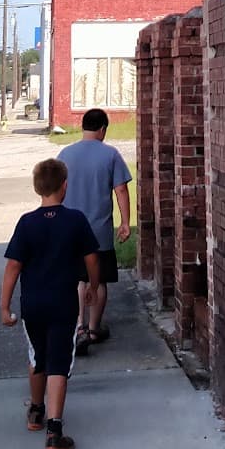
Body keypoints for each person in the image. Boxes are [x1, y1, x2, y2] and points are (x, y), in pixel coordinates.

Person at [0, 158, 100, 449]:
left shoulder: (26, 222)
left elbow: (13, 266)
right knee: (59, 362)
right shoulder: (76, 220)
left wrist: (4, 306)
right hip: (63, 304)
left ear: (37, 188)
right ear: (65, 186)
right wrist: (93, 287)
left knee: (37, 356)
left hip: (32, 305)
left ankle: (36, 411)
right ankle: (55, 431)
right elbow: (92, 259)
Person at [58, 107, 132, 348]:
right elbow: (120, 189)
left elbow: (57, 190)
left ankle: (79, 326)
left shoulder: (65, 154)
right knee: (98, 282)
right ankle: (93, 328)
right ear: (102, 129)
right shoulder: (110, 155)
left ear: (83, 127)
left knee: (79, 280)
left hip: (70, 230)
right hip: (99, 230)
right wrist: (124, 222)